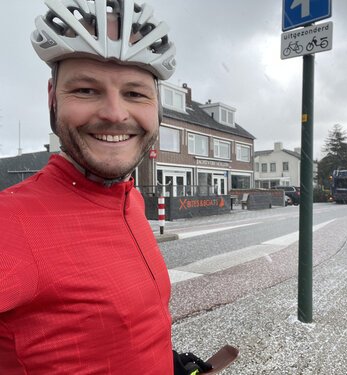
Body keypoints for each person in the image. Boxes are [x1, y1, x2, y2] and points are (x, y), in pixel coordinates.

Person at [0, 1, 211, 374]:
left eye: (134, 93)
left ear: (157, 108)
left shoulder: (130, 200)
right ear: (53, 99)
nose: (115, 113)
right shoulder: (9, 222)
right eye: (85, 90)